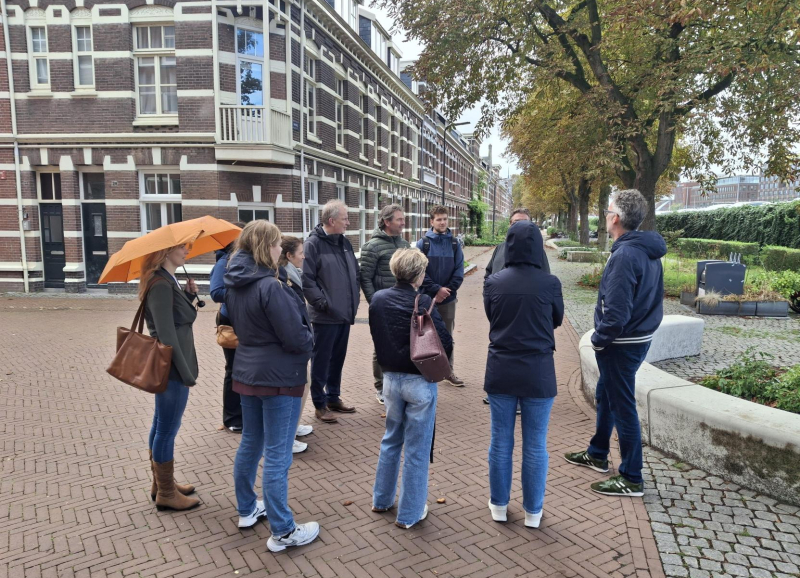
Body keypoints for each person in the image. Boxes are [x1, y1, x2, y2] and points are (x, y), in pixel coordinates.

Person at [224, 220, 320, 551]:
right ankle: (283, 530)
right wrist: (309, 339)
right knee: (278, 454)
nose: (282, 248)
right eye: (278, 243)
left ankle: (248, 508)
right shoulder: (270, 287)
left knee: (251, 442)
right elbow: (295, 337)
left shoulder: (235, 284)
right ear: (267, 247)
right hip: (278, 377)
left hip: (248, 373)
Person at [565, 189, 667, 497]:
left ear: (617, 218)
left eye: (608, 210)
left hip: (622, 343)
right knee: (606, 394)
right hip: (637, 338)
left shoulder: (625, 255)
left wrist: (598, 339)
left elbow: (617, 311)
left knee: (623, 406)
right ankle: (597, 453)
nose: (606, 215)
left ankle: (631, 477)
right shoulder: (645, 250)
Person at [483, 221, 563, 528]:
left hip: (501, 367)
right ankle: (533, 511)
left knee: (500, 441)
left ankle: (499, 506)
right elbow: (556, 319)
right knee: (536, 444)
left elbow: (493, 317)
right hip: (539, 371)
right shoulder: (550, 283)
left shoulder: (494, 282)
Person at [369, 249, 453, 529]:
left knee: (391, 439)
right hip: (419, 380)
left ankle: (381, 500)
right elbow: (445, 342)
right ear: (419, 274)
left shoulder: (378, 300)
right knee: (416, 449)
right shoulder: (423, 301)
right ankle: (410, 514)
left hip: (391, 380)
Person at [141, 244, 200, 511]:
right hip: (172, 367)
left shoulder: (167, 281)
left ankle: (161, 483)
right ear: (164, 252)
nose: (186, 251)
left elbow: (178, 318)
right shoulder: (161, 284)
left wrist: (188, 296)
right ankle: (166, 492)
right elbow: (166, 334)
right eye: (181, 247)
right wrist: (184, 372)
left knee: (161, 423)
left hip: (173, 364)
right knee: (167, 428)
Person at [483, 208, 551, 407]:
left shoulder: (539, 254)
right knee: (500, 353)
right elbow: (488, 275)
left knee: (524, 356)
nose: (518, 227)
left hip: (527, 317)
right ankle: (499, 393)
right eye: (514, 223)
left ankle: (522, 399)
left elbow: (546, 286)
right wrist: (491, 301)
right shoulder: (500, 248)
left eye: (523, 223)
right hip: (502, 315)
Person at [303, 199, 360, 423]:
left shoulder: (344, 243)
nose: (348, 222)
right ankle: (319, 403)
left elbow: (354, 273)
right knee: (321, 360)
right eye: (345, 218)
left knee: (337, 358)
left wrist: (353, 302)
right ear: (331, 220)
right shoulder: (313, 244)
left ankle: (333, 396)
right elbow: (307, 280)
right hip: (325, 316)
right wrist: (322, 303)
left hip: (344, 313)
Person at [359, 204, 410, 405]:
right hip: (383, 307)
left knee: (403, 344)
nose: (403, 222)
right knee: (381, 346)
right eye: (399, 219)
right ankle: (380, 387)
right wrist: (375, 303)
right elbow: (365, 278)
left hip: (404, 306)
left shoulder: (405, 245)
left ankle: (399, 384)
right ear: (387, 222)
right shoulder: (371, 247)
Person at [415, 205, 464, 387]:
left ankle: (448, 371)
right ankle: (426, 371)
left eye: (445, 219)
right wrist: (436, 289)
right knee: (426, 335)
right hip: (427, 298)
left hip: (448, 299)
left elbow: (459, 271)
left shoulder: (454, 244)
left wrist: (447, 291)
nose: (442, 222)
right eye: (439, 219)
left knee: (447, 335)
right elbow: (420, 271)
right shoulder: (424, 244)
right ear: (431, 221)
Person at [279, 235, 314, 453]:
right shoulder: (283, 278)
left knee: (304, 385)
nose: (304, 256)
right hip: (292, 346)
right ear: (289, 255)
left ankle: (292, 427)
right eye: (300, 252)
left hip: (298, 341)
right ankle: (287, 436)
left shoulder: (292, 274)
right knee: (297, 388)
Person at [209, 225, 245, 433]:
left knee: (242, 369)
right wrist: (243, 291)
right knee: (233, 370)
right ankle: (231, 418)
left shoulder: (241, 260)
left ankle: (241, 414)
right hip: (230, 321)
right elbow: (216, 292)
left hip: (241, 319)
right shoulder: (224, 261)